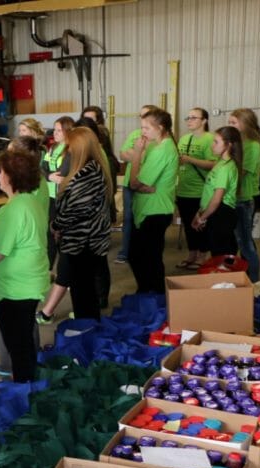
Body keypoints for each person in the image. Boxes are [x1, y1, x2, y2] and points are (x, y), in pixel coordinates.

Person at [0, 150, 49, 383]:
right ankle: (27, 379)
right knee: (24, 340)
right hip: (29, 283)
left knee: (17, 344)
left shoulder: (12, 211)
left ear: (11, 177)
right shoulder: (30, 201)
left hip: (15, 289)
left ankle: (23, 386)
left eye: (1, 171)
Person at [52, 127, 113, 321]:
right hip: (86, 240)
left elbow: (75, 210)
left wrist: (55, 225)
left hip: (83, 242)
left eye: (70, 146)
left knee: (83, 293)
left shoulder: (87, 173)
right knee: (84, 291)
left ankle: (86, 330)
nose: (67, 149)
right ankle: (87, 327)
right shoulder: (93, 168)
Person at [129, 108, 179, 294]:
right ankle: (147, 291)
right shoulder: (156, 146)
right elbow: (142, 182)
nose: (143, 132)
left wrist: (136, 153)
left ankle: (153, 294)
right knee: (142, 256)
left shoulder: (163, 149)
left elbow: (135, 182)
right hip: (149, 208)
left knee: (147, 257)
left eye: (146, 128)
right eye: (142, 128)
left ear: (160, 127)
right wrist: (143, 185)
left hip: (155, 210)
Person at [37, 117, 75, 325]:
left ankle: (65, 278)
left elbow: (68, 174)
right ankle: (53, 276)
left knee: (63, 240)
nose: (55, 133)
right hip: (51, 197)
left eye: (59, 130)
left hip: (64, 198)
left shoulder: (71, 151)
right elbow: (43, 168)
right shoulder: (53, 148)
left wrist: (55, 177)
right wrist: (50, 175)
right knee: (50, 238)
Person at [117, 104, 160, 263]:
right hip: (131, 183)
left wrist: (135, 154)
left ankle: (143, 252)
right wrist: (140, 155)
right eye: (141, 116)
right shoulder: (135, 134)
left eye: (146, 115)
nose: (142, 119)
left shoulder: (159, 138)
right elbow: (122, 154)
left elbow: (153, 160)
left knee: (147, 219)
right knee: (128, 218)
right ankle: (125, 251)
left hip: (148, 184)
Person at [175, 107, 217, 269]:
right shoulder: (184, 138)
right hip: (183, 189)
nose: (189, 120)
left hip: (200, 190)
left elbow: (214, 164)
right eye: (188, 117)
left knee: (200, 225)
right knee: (187, 225)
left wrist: (190, 159)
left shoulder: (209, 139)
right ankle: (191, 254)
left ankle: (202, 255)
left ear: (204, 121)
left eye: (194, 117)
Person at [192, 126, 242, 258]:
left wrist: (202, 218)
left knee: (221, 256)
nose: (212, 146)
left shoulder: (226, 167)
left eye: (216, 142)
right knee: (217, 254)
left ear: (228, 145)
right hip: (215, 213)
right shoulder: (220, 163)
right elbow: (209, 193)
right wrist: (200, 212)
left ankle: (225, 279)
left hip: (222, 214)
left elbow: (216, 199)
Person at [228, 108, 260, 281]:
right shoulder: (238, 142)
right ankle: (245, 275)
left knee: (246, 244)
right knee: (242, 241)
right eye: (230, 122)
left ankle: (254, 281)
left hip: (244, 198)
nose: (230, 126)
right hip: (235, 197)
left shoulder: (253, 145)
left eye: (234, 123)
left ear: (245, 124)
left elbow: (240, 171)